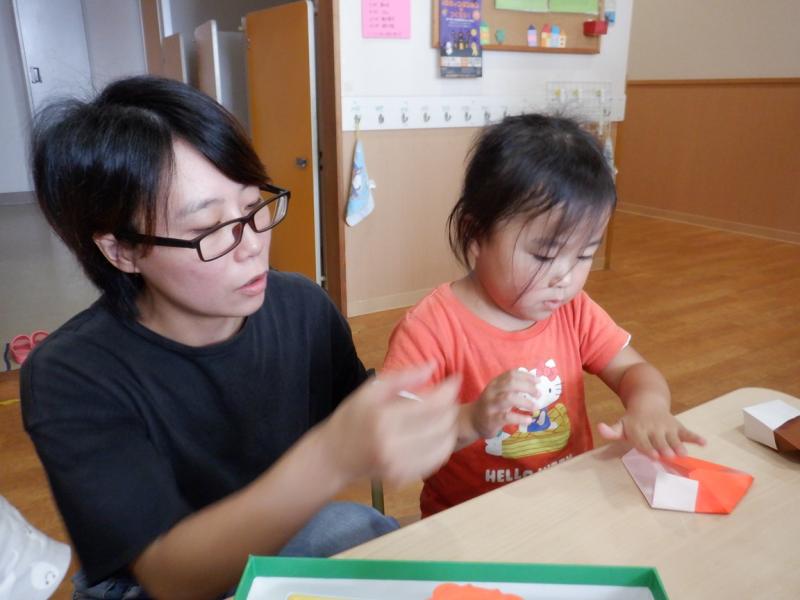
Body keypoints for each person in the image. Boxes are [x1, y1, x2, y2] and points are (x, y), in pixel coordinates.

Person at [21, 76, 461, 599]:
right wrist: (329, 457)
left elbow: (360, 416)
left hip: (276, 538)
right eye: (209, 228)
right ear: (122, 251)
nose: (251, 245)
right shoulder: (71, 374)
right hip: (151, 583)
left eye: (253, 207)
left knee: (363, 531)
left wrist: (454, 418)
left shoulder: (302, 307)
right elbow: (169, 577)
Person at [383, 114, 706, 517]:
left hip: (565, 504)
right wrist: (471, 420)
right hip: (469, 519)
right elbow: (395, 437)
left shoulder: (574, 309)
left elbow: (632, 370)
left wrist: (650, 406)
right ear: (476, 234)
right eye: (544, 255)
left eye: (584, 254)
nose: (565, 277)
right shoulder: (430, 327)